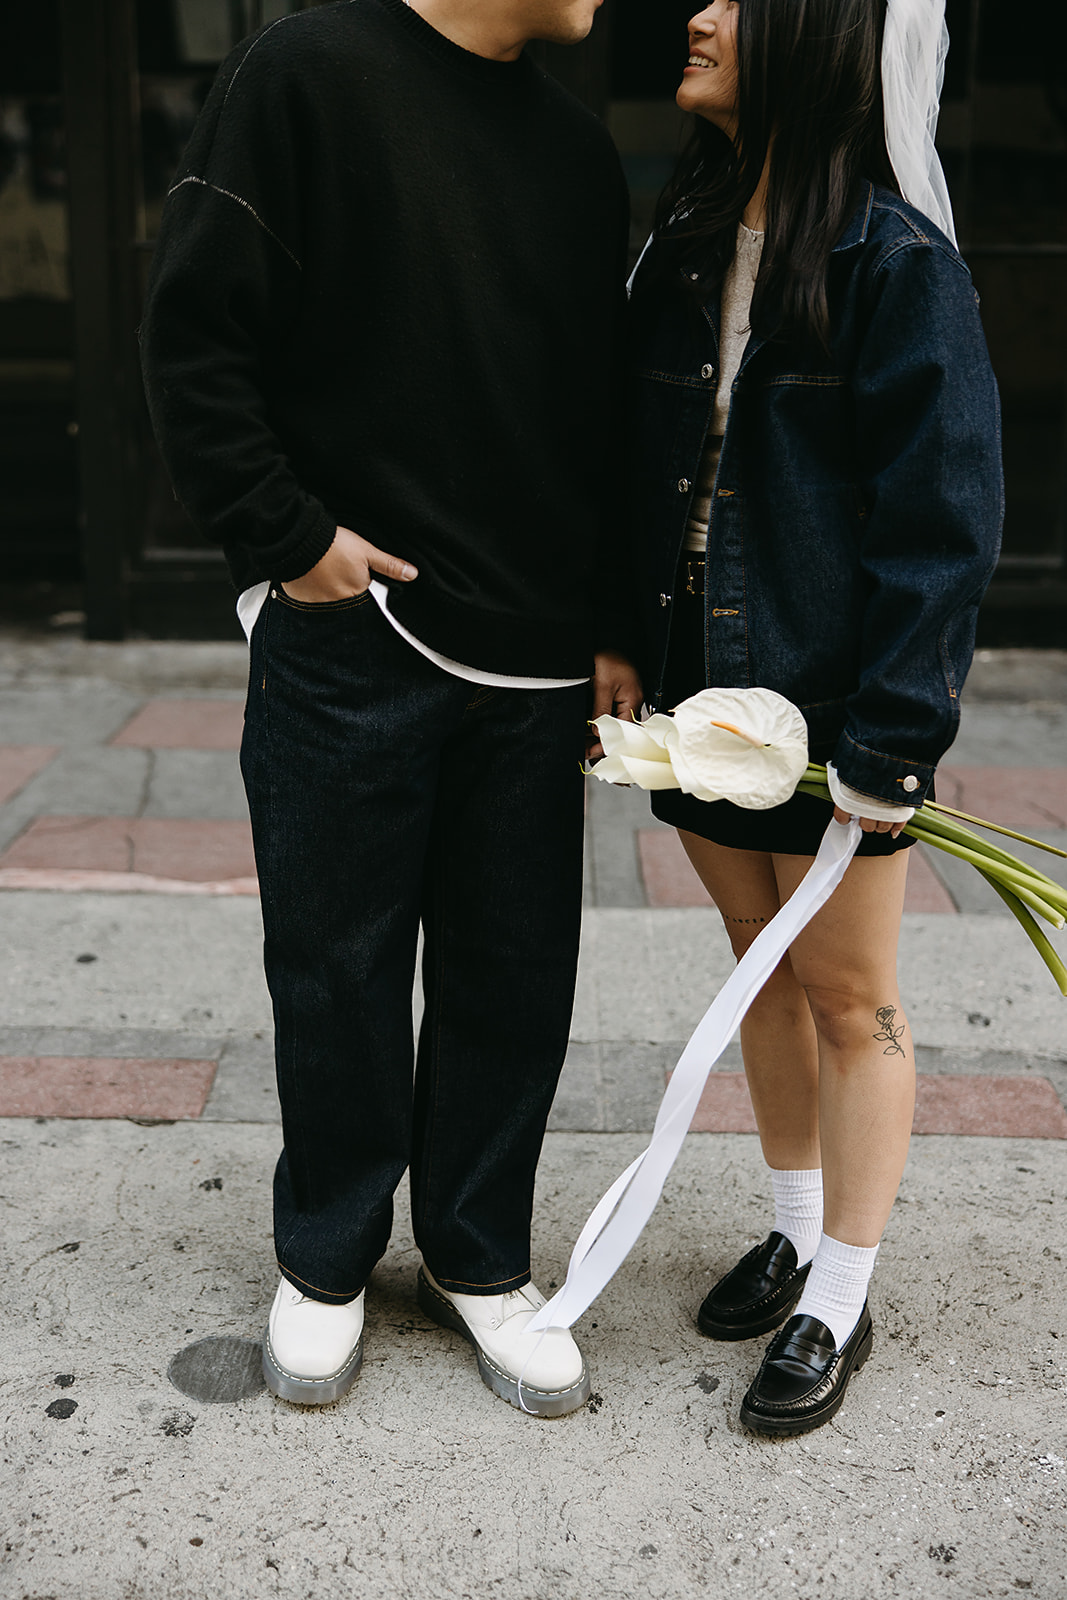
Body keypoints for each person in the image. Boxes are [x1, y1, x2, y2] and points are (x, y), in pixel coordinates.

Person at [140, 0, 641, 1418]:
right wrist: (290, 545)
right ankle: (328, 1256)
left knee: (514, 972)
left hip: (537, 656)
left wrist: (609, 624)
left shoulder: (576, 154)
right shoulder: (303, 73)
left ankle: (479, 1258)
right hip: (353, 634)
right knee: (337, 963)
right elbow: (193, 334)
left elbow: (595, 416)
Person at [625, 0, 1002, 1434]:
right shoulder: (682, 240)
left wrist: (895, 739)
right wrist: (619, 637)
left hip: (832, 708)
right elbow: (640, 458)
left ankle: (842, 1291)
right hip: (694, 691)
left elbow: (946, 523)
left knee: (852, 996)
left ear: (814, 37)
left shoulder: (899, 264)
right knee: (758, 966)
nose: (698, 15)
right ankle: (792, 1226)